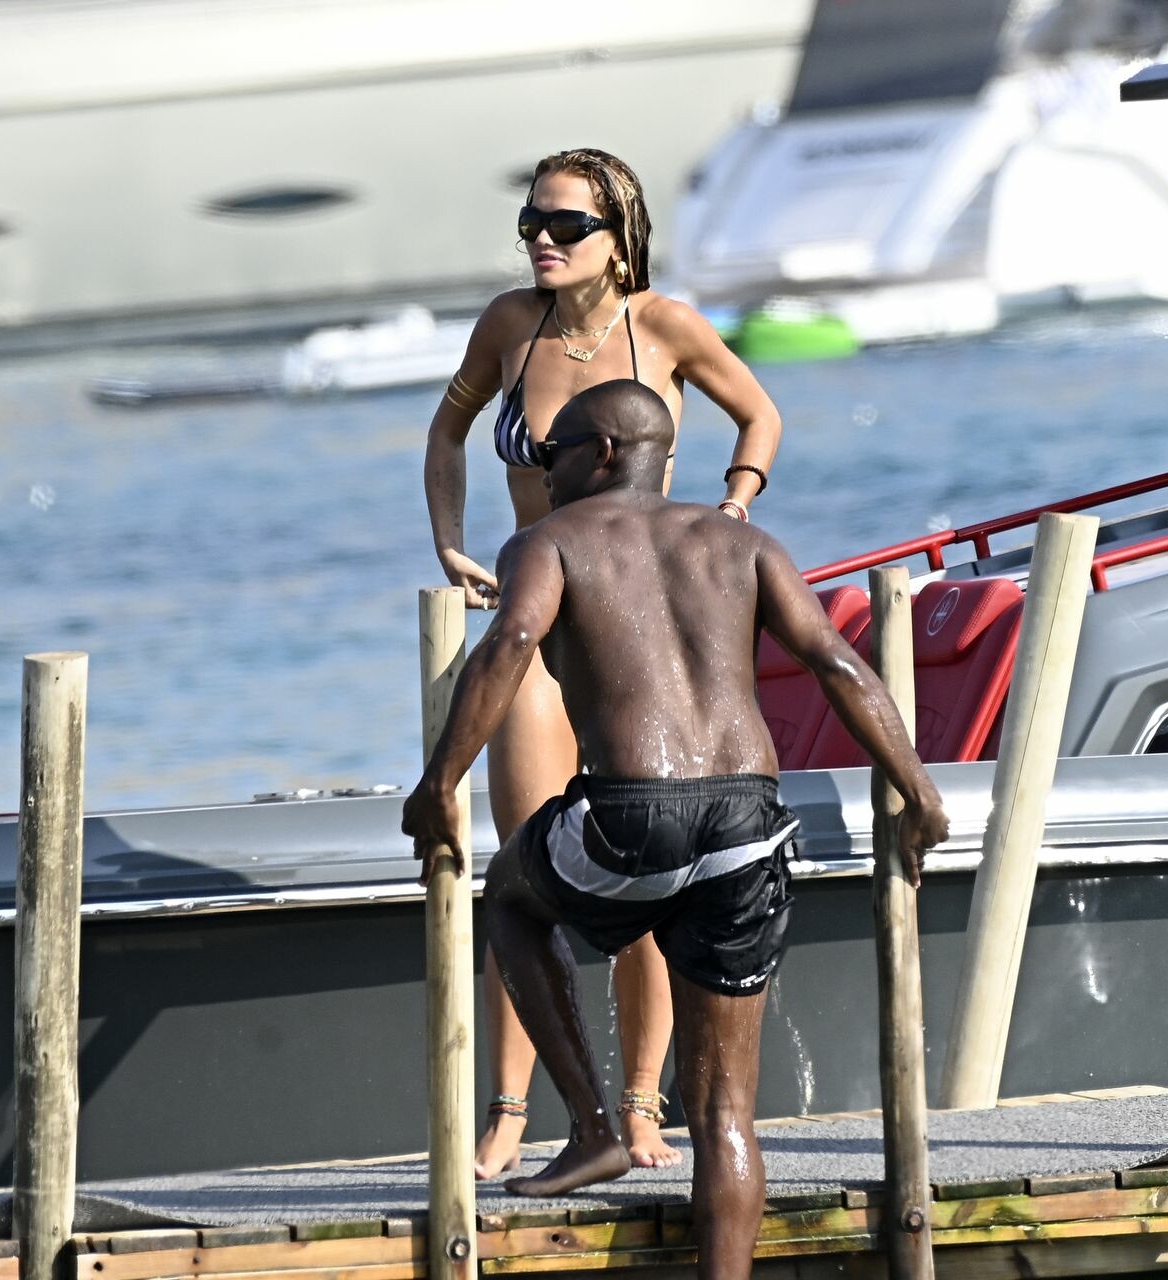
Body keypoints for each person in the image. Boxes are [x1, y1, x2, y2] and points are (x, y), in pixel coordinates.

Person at [402, 381, 947, 1280]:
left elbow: (509, 645)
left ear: (606, 451)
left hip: (632, 814)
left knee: (510, 896)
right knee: (726, 1112)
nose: (541, 473)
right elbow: (835, 661)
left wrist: (439, 784)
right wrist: (917, 789)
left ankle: (591, 1127)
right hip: (747, 825)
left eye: (553, 453)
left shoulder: (549, 541)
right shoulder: (745, 544)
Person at [424, 148, 782, 1176]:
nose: (542, 239)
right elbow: (447, 432)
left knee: (646, 872)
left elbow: (759, 412)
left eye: (566, 225)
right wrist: (450, 541)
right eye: (531, 223)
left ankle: (637, 1108)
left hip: (635, 636)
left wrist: (733, 506)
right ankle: (510, 1110)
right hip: (538, 627)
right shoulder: (509, 325)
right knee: (522, 868)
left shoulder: (663, 325)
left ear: (618, 239)